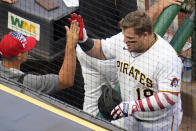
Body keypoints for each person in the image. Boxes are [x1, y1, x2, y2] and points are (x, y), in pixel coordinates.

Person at [71, 0, 184, 129]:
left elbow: (169, 97)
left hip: (159, 123)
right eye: (124, 37)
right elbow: (101, 50)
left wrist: (134, 106)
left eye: (130, 39)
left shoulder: (167, 57)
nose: (125, 42)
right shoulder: (123, 40)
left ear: (145, 35)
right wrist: (84, 40)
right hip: (131, 118)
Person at [0, 20, 80, 94]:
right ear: (19, 56)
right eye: (26, 49)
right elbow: (65, 81)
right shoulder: (29, 83)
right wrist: (70, 45)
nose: (28, 50)